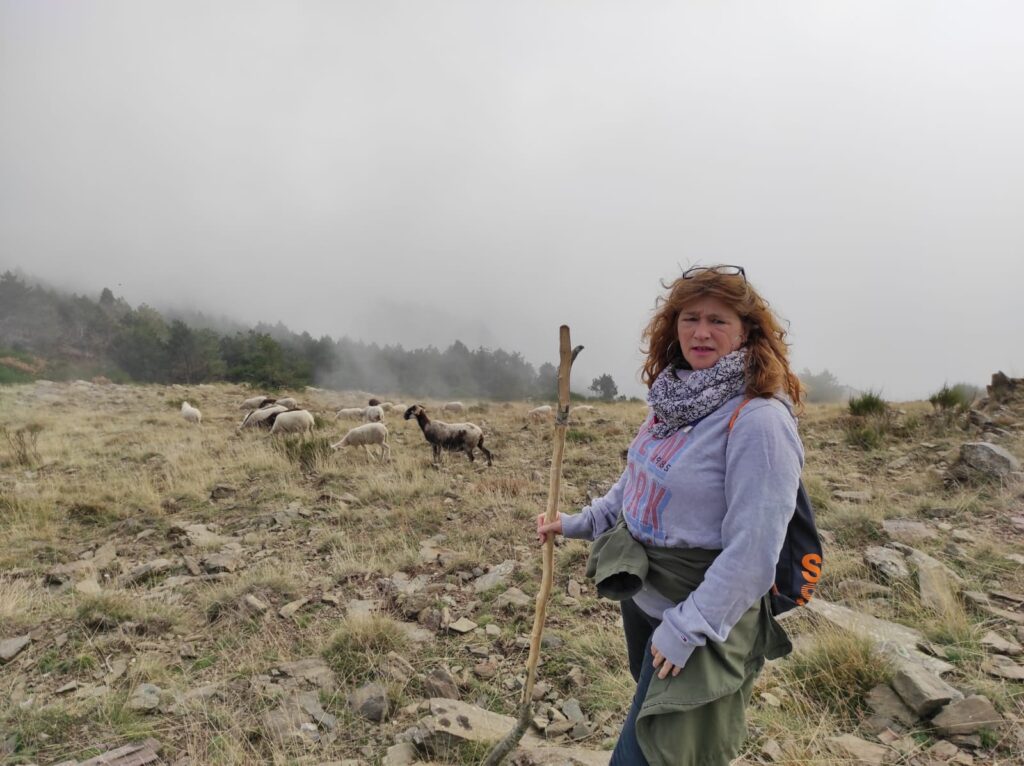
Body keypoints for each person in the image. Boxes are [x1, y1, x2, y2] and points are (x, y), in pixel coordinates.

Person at [537, 265, 804, 766]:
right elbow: (638, 482)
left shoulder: (760, 420)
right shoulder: (676, 397)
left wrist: (689, 627)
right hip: (644, 598)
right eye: (690, 318)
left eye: (718, 321)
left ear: (746, 330)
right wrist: (580, 522)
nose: (700, 332)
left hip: (698, 616)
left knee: (654, 753)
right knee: (669, 743)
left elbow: (754, 552)